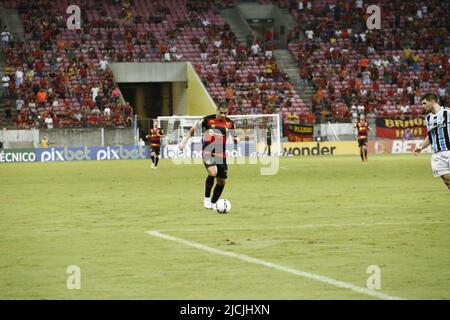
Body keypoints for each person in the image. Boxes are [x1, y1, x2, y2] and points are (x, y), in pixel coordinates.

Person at [178, 103, 238, 210]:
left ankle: (213, 203)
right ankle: (206, 199)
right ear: (217, 111)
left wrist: (236, 140)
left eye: (225, 113)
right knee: (213, 172)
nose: (223, 115)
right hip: (208, 151)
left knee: (222, 181)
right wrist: (183, 142)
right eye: (221, 113)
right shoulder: (207, 120)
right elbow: (192, 130)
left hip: (221, 153)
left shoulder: (230, 123)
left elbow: (235, 136)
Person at [414, 93, 450, 191]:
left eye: (424, 103)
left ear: (433, 101)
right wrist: (421, 147)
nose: (423, 106)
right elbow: (430, 136)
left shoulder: (447, 112)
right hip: (437, 154)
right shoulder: (428, 118)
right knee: (447, 181)